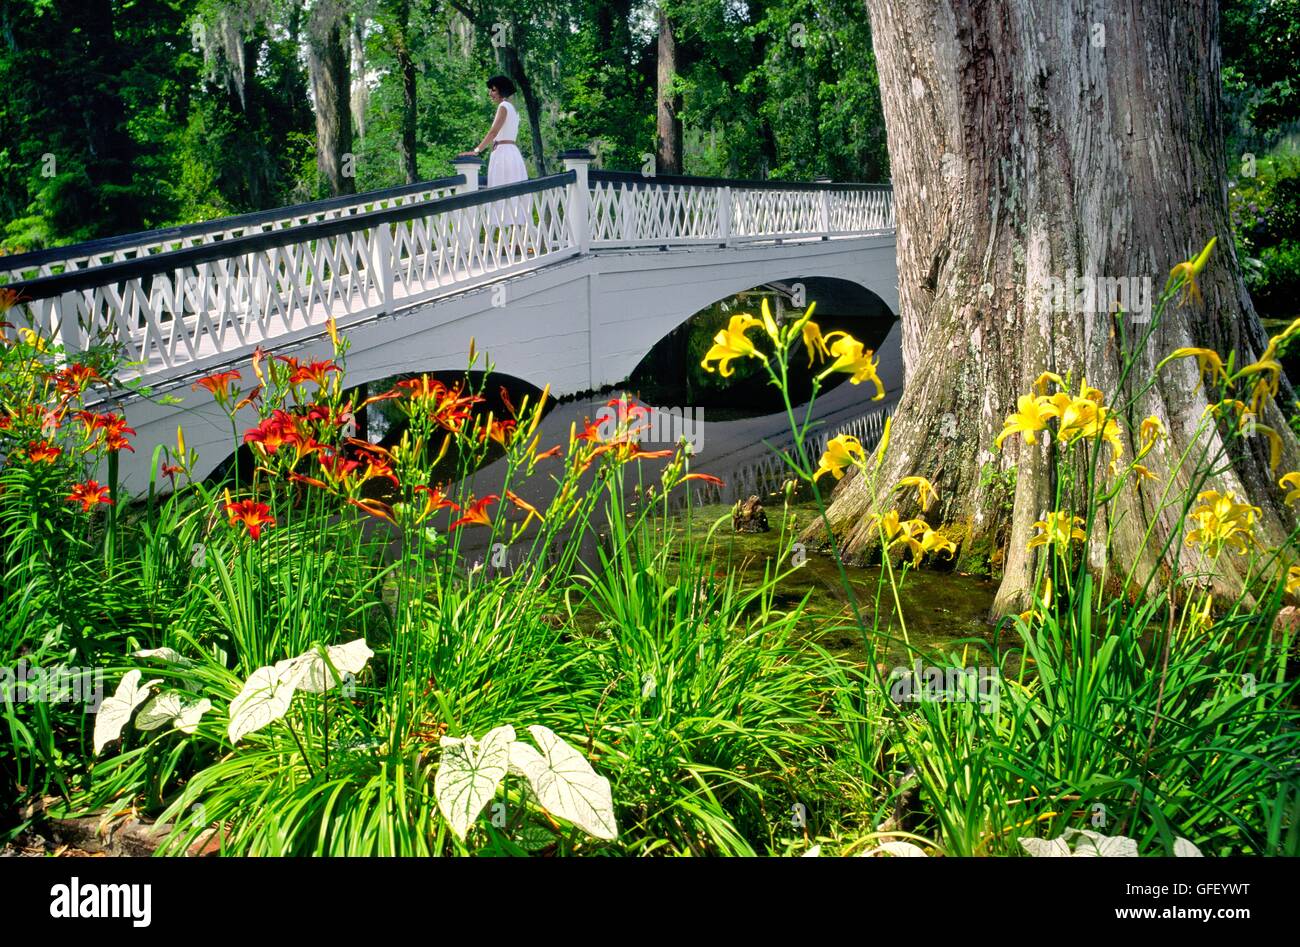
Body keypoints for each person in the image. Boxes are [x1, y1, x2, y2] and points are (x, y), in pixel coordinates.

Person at [460, 75, 529, 236]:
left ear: (501, 91)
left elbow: (493, 132)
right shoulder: (512, 107)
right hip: (511, 153)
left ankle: (510, 240)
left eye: (493, 90)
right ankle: (515, 239)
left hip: (504, 154)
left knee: (502, 191)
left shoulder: (503, 106)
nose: (490, 93)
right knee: (512, 194)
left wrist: (477, 150)